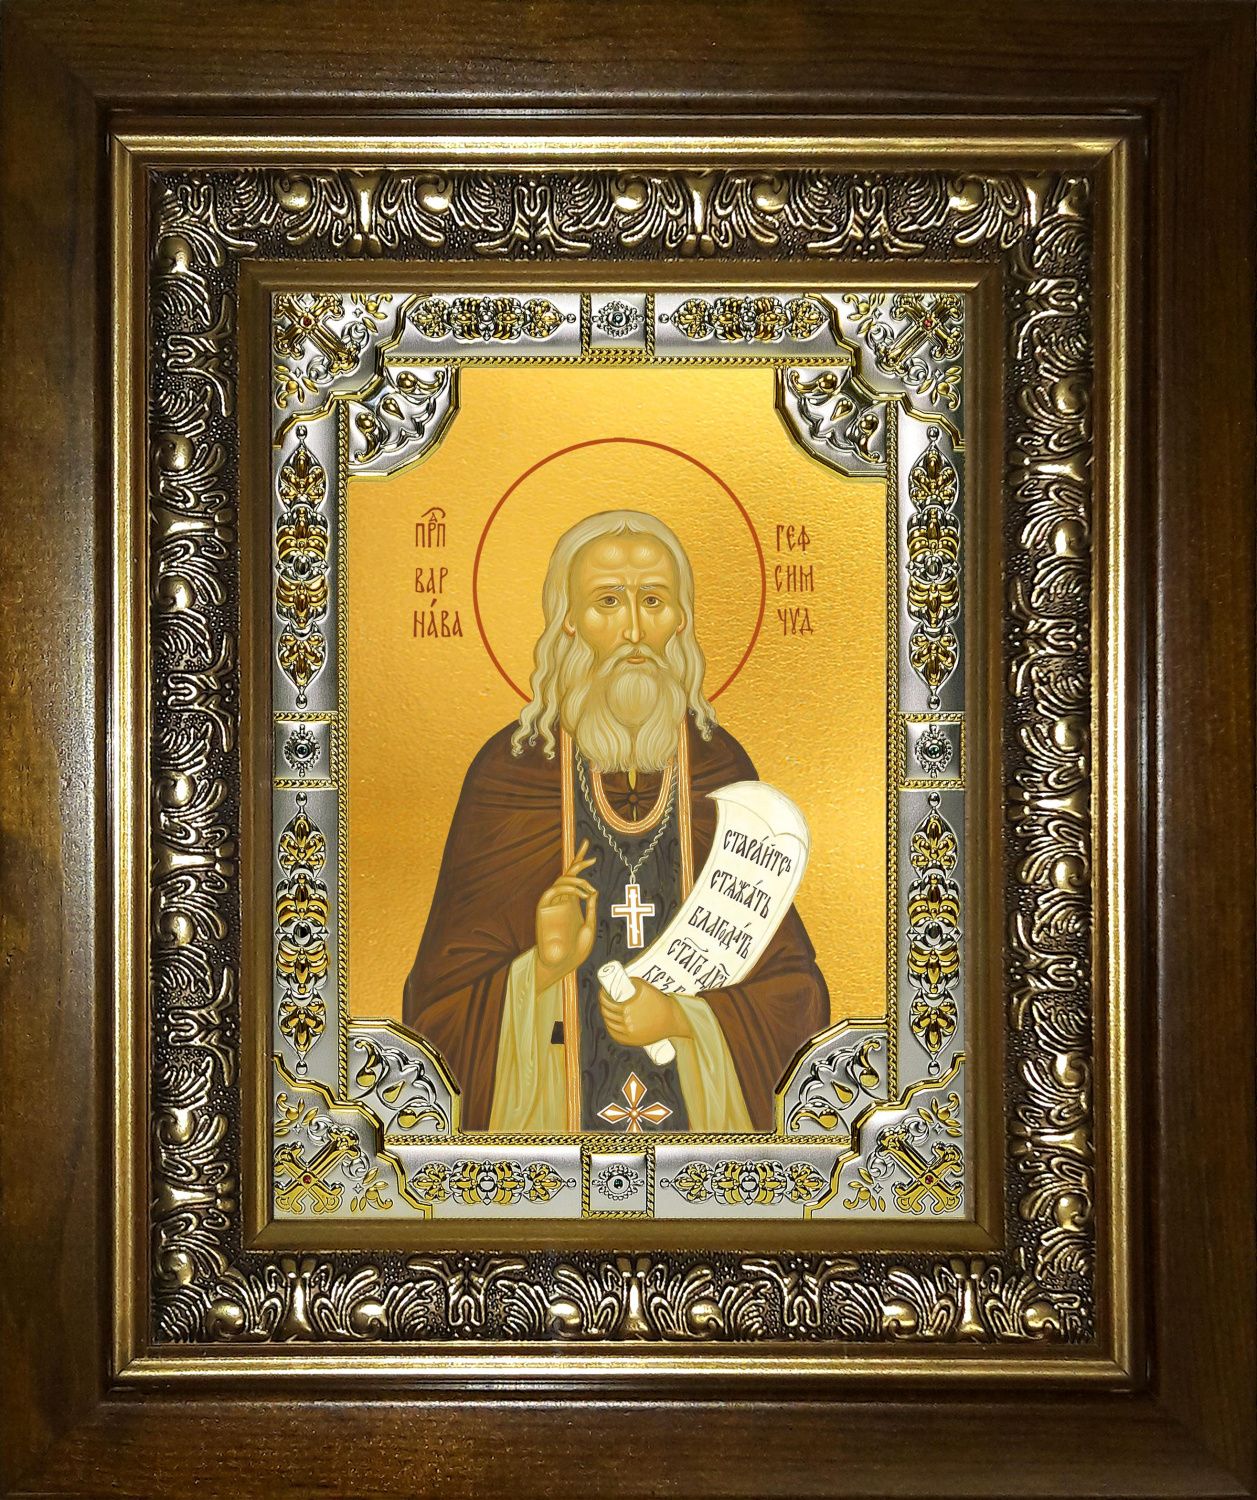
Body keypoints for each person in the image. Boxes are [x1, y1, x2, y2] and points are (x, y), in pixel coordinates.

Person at [402, 510, 827, 1132]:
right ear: (568, 620)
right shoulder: (511, 772)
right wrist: (541, 969)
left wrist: (684, 1019)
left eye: (653, 600)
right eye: (607, 601)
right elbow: (436, 1010)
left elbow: (793, 994)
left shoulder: (718, 767)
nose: (633, 629)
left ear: (680, 618)